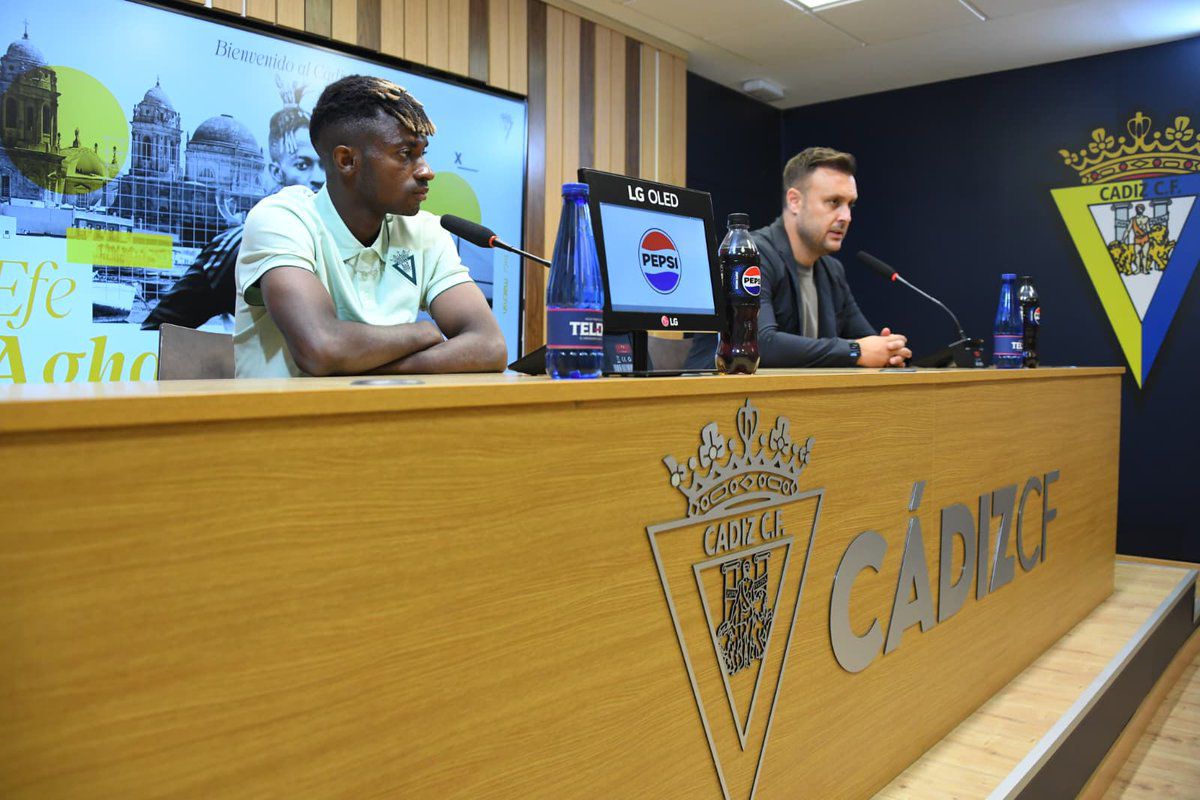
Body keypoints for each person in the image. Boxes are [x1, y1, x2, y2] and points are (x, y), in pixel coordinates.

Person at [233, 75, 507, 377]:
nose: (426, 171)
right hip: (283, 410)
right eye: (405, 154)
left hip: (383, 409)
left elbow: (490, 346)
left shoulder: (425, 232)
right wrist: (423, 333)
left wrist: (369, 369)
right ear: (347, 160)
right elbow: (321, 348)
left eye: (422, 154)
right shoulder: (281, 219)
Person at [685, 147, 911, 369]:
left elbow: (867, 340)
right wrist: (855, 350)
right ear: (794, 201)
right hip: (716, 388)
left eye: (850, 205)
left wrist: (888, 351)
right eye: (834, 202)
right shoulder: (750, 255)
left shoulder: (832, 270)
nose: (846, 216)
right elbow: (759, 343)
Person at [142, 80, 325, 331]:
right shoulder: (239, 245)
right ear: (275, 171)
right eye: (302, 165)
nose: (318, 178)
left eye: (325, 164)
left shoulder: (343, 241)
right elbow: (158, 332)